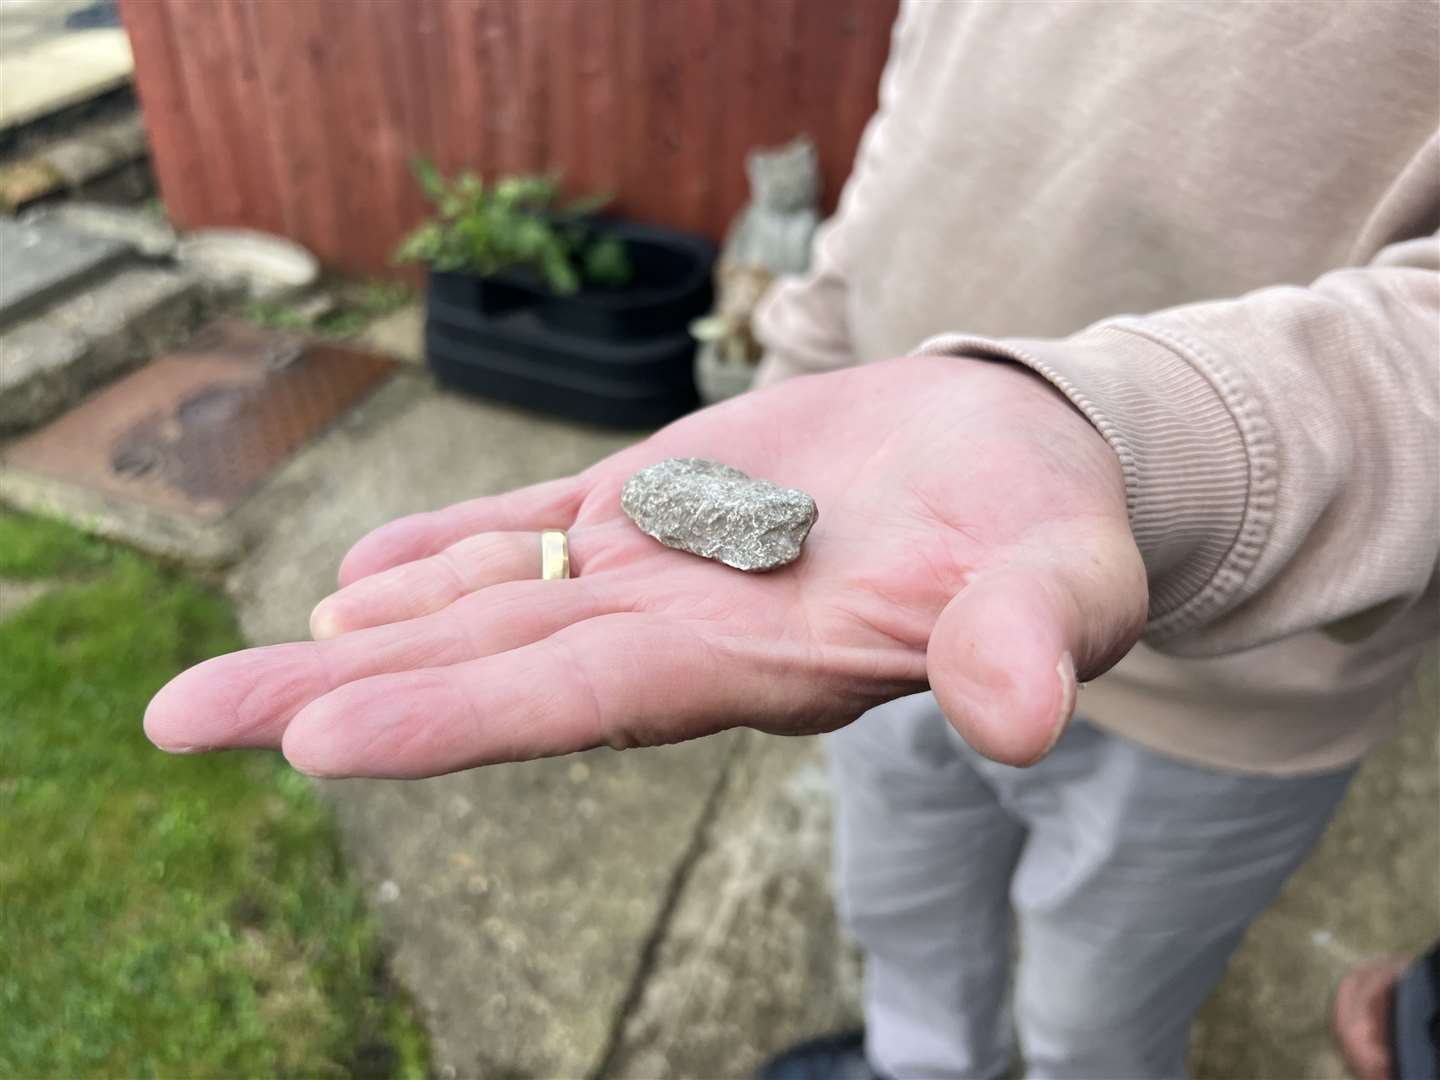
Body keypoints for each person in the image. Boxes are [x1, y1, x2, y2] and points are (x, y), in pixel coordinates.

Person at [145, 2, 1438, 1077]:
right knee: (903, 913)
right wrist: (795, 374)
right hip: (875, 594)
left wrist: (1141, 442)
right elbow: (911, 157)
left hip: (1240, 686)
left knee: (1099, 1019)